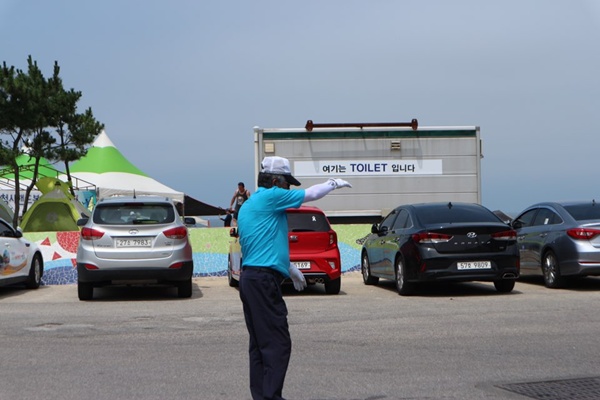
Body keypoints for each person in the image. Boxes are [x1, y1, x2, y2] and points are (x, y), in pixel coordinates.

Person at [237, 156, 351, 400]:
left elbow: (262, 246)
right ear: (276, 180)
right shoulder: (272, 196)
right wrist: (333, 183)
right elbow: (310, 194)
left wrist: (289, 267)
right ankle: (271, 397)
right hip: (263, 281)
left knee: (259, 345)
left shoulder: (250, 204)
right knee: (278, 343)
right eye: (286, 183)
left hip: (251, 278)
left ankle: (262, 396)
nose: (288, 188)